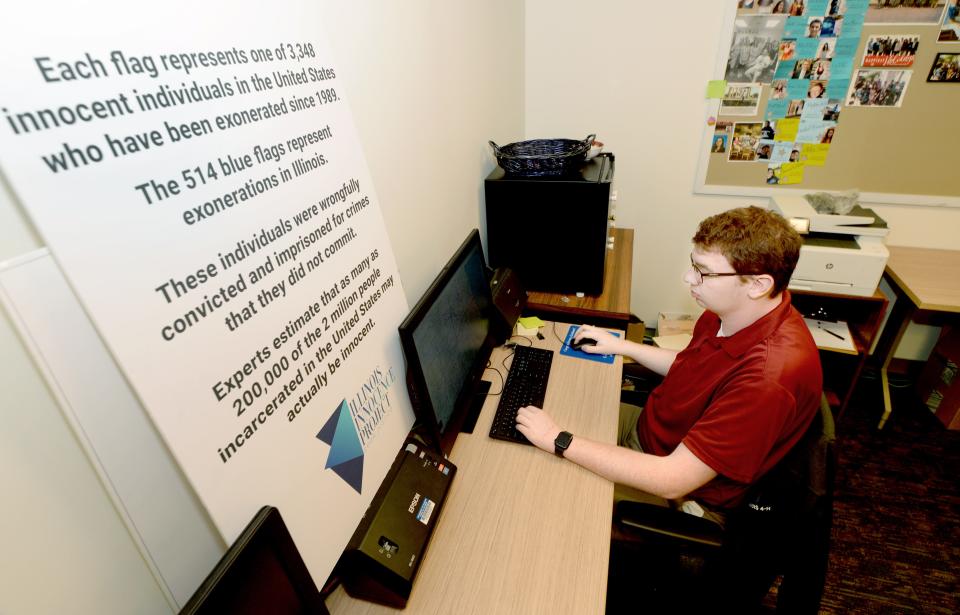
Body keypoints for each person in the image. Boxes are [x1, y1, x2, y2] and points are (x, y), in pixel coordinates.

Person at [515, 207, 822, 519]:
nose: (689, 278)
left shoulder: (768, 380)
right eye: (693, 264)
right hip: (651, 432)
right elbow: (693, 365)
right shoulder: (733, 311)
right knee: (533, 421)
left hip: (680, 490)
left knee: (542, 496)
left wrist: (558, 439)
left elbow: (672, 480)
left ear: (757, 285)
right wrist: (621, 346)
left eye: (704, 272)